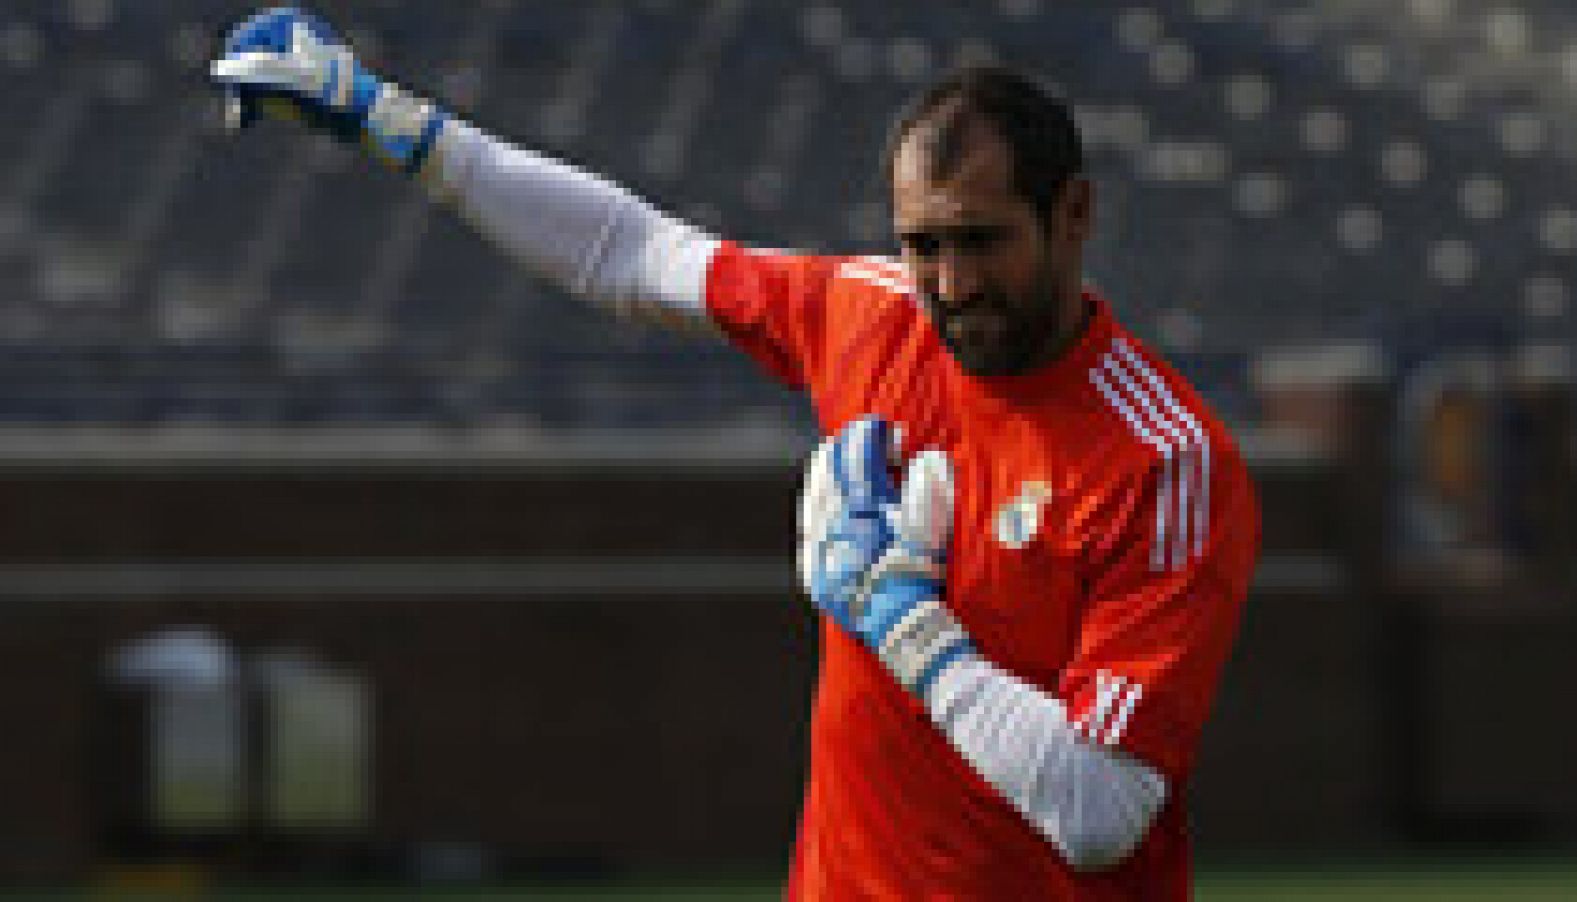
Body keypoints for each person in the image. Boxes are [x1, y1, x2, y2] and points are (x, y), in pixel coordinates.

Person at [211, 7, 1260, 899]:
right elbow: (634, 251)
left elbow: (1098, 808)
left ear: (1072, 213)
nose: (947, 283)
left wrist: (901, 622)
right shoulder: (870, 317)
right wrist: (398, 126)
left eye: (980, 240)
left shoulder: (1162, 461)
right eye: (921, 243)